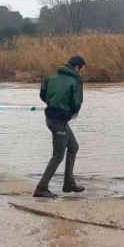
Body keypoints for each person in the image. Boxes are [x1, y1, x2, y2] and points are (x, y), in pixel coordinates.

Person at [33, 56, 87, 198]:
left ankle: (68, 183)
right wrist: (71, 112)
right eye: (81, 69)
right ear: (77, 67)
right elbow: (77, 103)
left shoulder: (50, 77)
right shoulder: (75, 81)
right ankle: (41, 188)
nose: (81, 72)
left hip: (52, 118)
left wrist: (54, 103)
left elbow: (43, 95)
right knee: (58, 155)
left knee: (73, 147)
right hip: (59, 121)